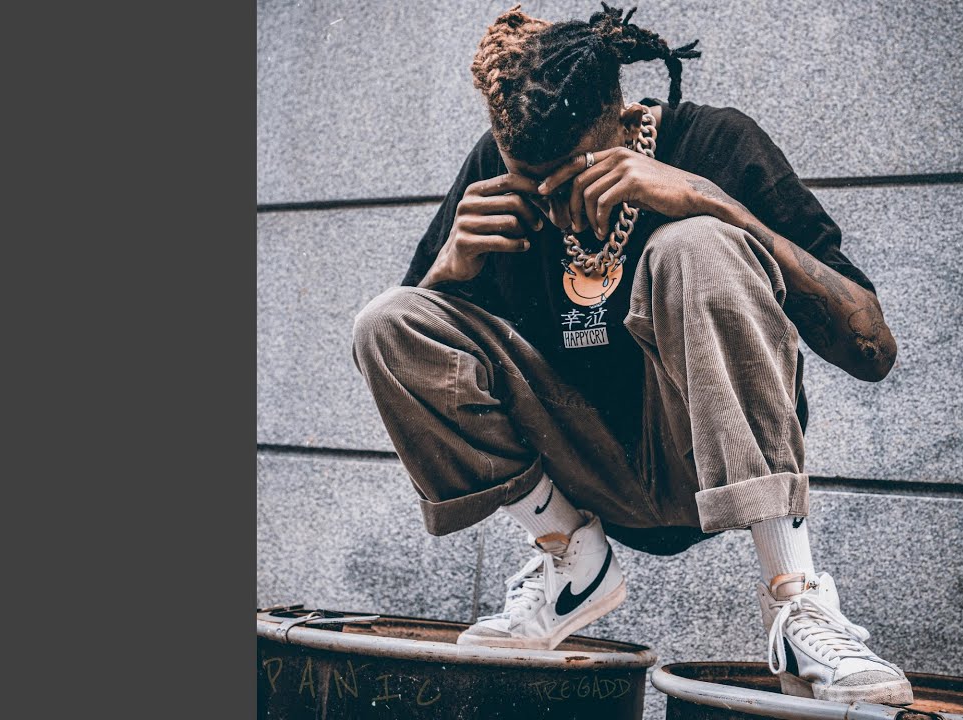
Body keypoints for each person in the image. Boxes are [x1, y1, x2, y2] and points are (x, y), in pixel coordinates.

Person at [352, 2, 910, 706]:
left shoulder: (714, 142)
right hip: (579, 462)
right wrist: (447, 269)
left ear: (619, 122)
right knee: (385, 320)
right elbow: (421, 356)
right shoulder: (491, 169)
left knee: (695, 244)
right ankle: (570, 561)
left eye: (573, 178)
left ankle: (796, 599)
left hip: (699, 445)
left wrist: (716, 204)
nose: (555, 207)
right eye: (533, 185)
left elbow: (873, 351)